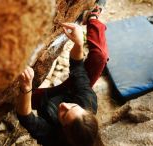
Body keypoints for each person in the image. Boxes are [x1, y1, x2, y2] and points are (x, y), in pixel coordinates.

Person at [16, 1, 108, 146]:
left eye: (64, 115)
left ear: (64, 131)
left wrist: (25, 87)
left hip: (45, 102)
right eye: (73, 107)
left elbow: (26, 118)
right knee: (100, 58)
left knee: (17, 96)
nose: (65, 105)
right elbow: (78, 69)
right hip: (69, 91)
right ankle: (93, 16)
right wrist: (78, 44)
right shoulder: (88, 102)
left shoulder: (54, 138)